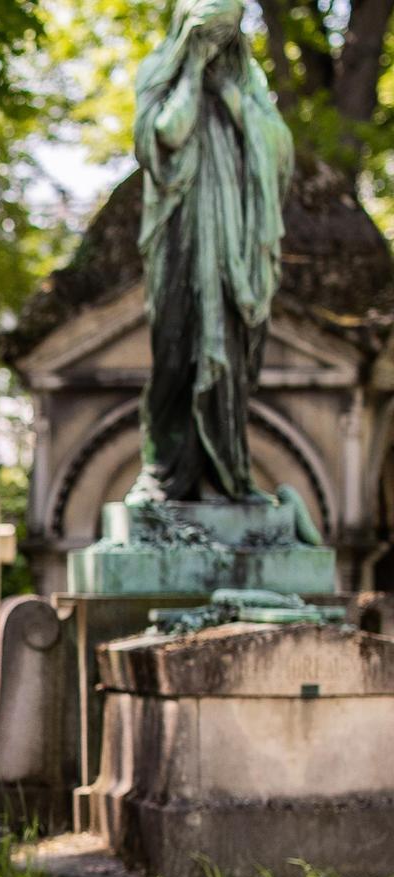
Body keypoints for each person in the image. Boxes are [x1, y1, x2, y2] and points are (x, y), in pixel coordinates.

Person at [128, 0, 292, 505]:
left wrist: (233, 99)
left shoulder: (248, 84)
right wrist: (194, 72)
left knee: (232, 366)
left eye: (226, 35)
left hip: (236, 251)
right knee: (175, 354)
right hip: (180, 243)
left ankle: (231, 478)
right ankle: (161, 474)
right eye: (208, 34)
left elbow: (279, 145)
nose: (218, 45)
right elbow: (166, 135)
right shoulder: (159, 71)